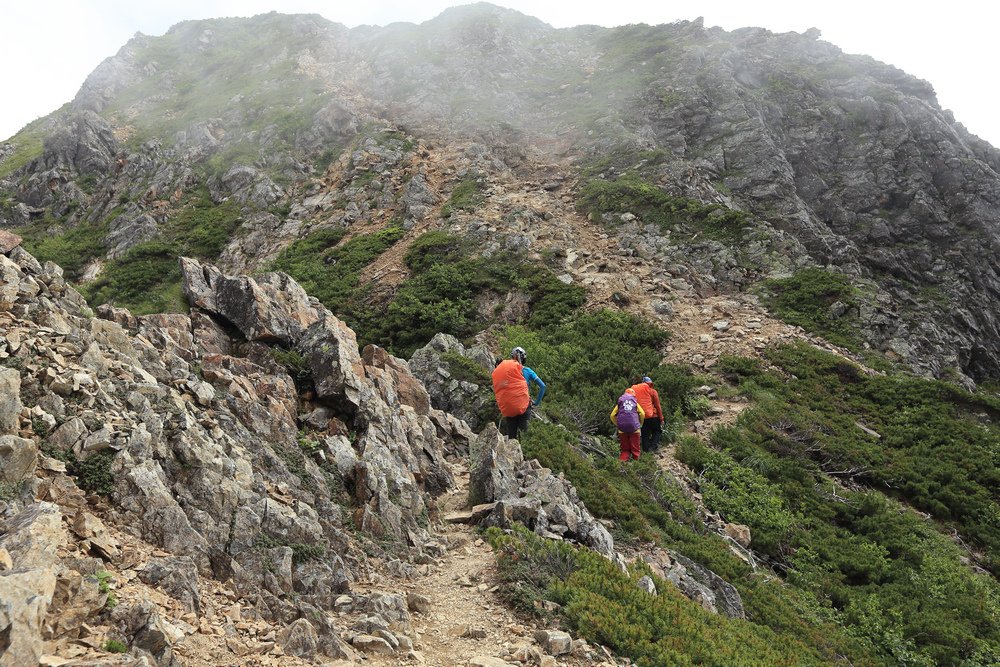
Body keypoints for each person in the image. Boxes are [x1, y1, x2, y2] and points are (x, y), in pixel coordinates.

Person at [491, 346, 546, 439]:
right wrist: (536, 402)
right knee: (525, 437)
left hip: (509, 408)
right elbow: (543, 386)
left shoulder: (506, 371)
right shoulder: (527, 371)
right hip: (524, 406)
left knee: (512, 438)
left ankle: (512, 453)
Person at [611, 387, 645, 461]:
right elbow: (642, 413)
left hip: (622, 429)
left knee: (625, 450)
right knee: (635, 451)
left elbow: (612, 415)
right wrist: (640, 423)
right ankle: (636, 466)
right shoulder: (635, 402)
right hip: (635, 429)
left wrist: (618, 424)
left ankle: (622, 467)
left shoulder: (620, 403)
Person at [631, 376, 664, 452]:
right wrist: (661, 418)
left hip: (642, 417)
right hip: (653, 416)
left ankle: (646, 451)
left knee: (645, 434)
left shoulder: (636, 392)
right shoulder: (653, 391)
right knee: (657, 431)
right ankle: (652, 446)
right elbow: (658, 406)